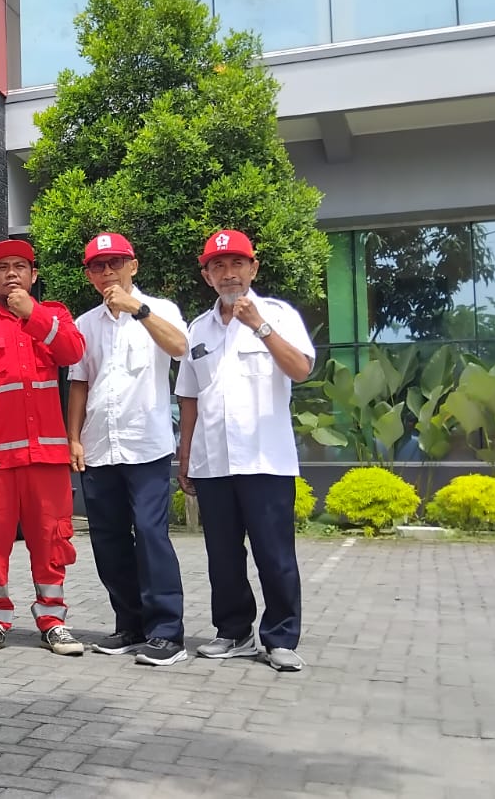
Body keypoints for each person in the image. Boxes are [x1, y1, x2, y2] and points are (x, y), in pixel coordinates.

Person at [175, 229, 315, 674]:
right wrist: (186, 457)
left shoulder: (279, 315)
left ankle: (280, 638)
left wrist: (260, 326)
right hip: (213, 461)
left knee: (274, 554)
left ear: (253, 268)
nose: (228, 272)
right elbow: (190, 399)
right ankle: (233, 632)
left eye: (237, 263)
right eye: (218, 265)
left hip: (265, 461)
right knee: (223, 555)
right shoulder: (197, 329)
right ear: (206, 275)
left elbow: (301, 369)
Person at [0, 238, 87, 656]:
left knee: (52, 538)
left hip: (46, 455)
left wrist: (33, 314)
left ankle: (52, 618)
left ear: (33, 275)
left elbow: (73, 351)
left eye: (20, 266)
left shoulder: (55, 316)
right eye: (2, 267)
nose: (11, 273)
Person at [66, 233, 190, 667]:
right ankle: (129, 624)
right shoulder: (84, 324)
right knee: (109, 539)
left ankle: (166, 631)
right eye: (98, 266)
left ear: (132, 266)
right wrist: (74, 437)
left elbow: (180, 348)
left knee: (151, 534)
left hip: (145, 446)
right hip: (99, 446)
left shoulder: (160, 310)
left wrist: (137, 309)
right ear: (89, 275)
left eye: (115, 263)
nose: (107, 273)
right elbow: (79, 383)